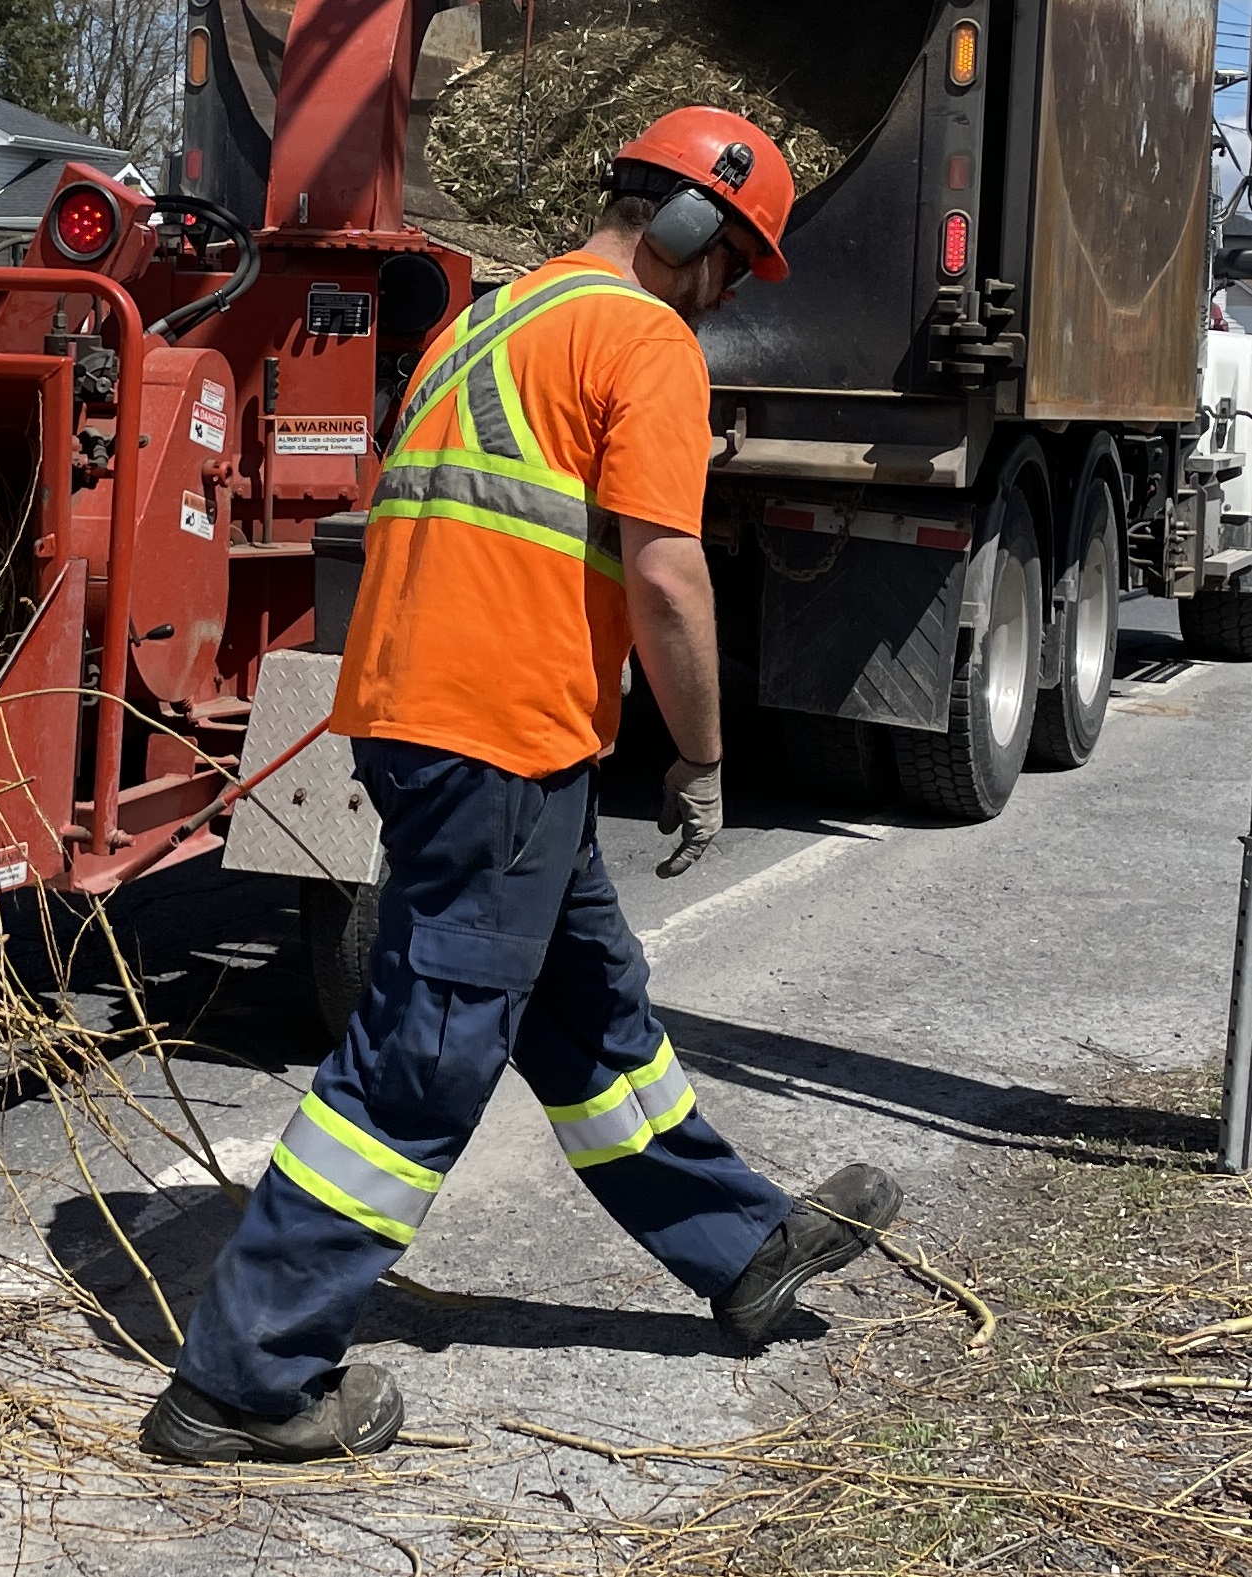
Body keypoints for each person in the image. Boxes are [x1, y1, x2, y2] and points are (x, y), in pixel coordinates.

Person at [143, 107, 902, 1464]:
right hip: (494, 732)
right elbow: (666, 574)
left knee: (587, 1010)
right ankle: (243, 1375)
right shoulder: (641, 339)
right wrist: (705, 755)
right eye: (732, 266)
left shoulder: (490, 321)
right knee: (422, 1057)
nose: (726, 298)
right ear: (691, 233)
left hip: (441, 721)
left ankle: (739, 1250)